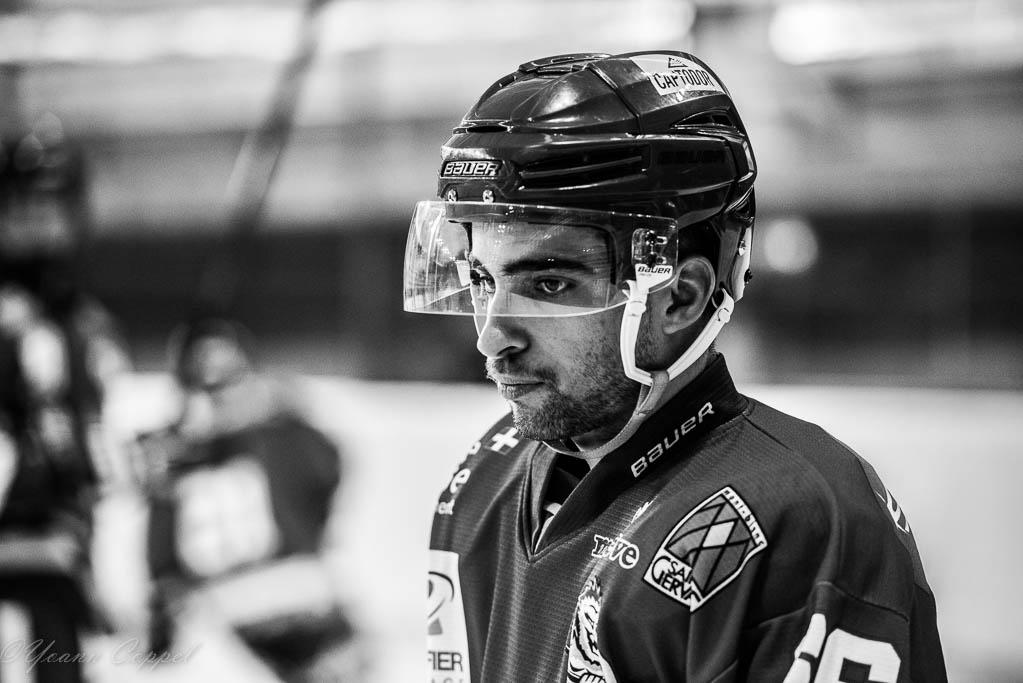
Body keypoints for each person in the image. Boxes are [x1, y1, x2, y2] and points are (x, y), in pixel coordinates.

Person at [405, 51, 947, 681]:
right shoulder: (483, 480)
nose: (491, 337)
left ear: (680, 298)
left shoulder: (802, 519)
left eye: (549, 285)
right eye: (481, 280)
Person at [137, 318, 362, 682]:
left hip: (254, 601)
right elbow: (326, 477)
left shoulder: (171, 451)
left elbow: (160, 554)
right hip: (261, 599)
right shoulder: (276, 434)